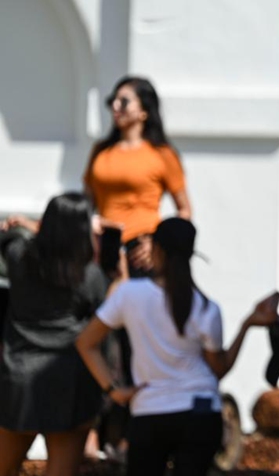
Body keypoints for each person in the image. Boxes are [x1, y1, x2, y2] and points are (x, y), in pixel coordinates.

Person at [75, 217, 279, 476]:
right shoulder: (206, 307)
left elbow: (85, 343)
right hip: (202, 413)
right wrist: (247, 324)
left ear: (156, 249)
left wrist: (114, 392)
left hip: (149, 411)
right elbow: (218, 370)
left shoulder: (129, 295)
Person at [83, 75, 191, 454]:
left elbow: (184, 210)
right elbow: (88, 203)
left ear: (144, 110)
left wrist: (158, 244)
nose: (115, 106)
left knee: (135, 340)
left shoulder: (161, 155)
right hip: (102, 254)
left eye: (124, 101)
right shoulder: (102, 151)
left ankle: (130, 431)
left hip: (143, 254)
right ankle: (95, 427)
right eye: (113, 100)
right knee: (96, 336)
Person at [0, 193, 107, 476]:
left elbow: (7, 236)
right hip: (70, 381)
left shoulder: (19, 258)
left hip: (20, 379)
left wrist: (31, 227)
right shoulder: (90, 275)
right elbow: (103, 317)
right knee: (61, 475)